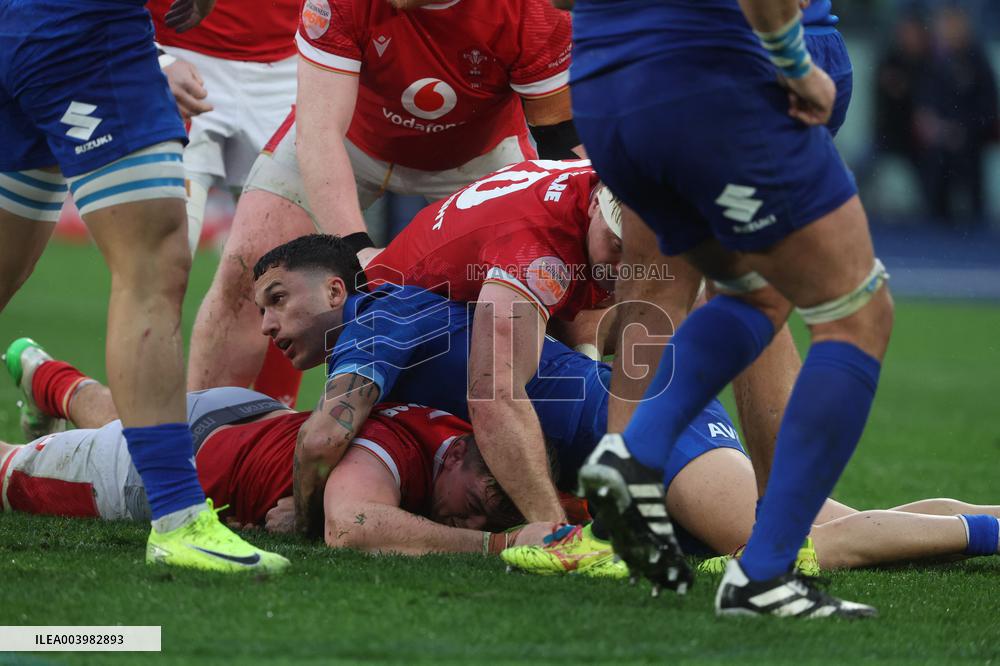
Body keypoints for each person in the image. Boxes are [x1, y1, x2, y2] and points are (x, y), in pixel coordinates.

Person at [568, 0, 894, 617]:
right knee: (857, 313)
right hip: (721, 75)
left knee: (748, 290)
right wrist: (796, 64)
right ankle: (766, 570)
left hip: (604, 85)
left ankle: (630, 454)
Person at [0, 0, 286, 572]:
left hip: (21, 25)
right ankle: (180, 518)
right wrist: (154, 55)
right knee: (152, 267)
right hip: (82, 34)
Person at [187, 0, 582, 403]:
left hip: (479, 155)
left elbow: (563, 142)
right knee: (247, 266)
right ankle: (202, 438)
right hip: (352, 140)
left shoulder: (533, 11)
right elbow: (320, 131)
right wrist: (353, 247)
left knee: (542, 281)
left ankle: (559, 429)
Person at [0, 345, 552, 555]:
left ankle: (41, 373)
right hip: (181, 470)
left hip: (248, 416)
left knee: (128, 419)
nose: (472, 522)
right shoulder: (398, 450)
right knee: (11, 475)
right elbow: (353, 526)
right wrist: (496, 545)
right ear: (455, 457)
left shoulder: (458, 428)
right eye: (477, 507)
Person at [147, 0, 301, 252]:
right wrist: (155, 56)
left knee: (280, 269)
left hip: (288, 65)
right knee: (163, 259)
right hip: (178, 57)